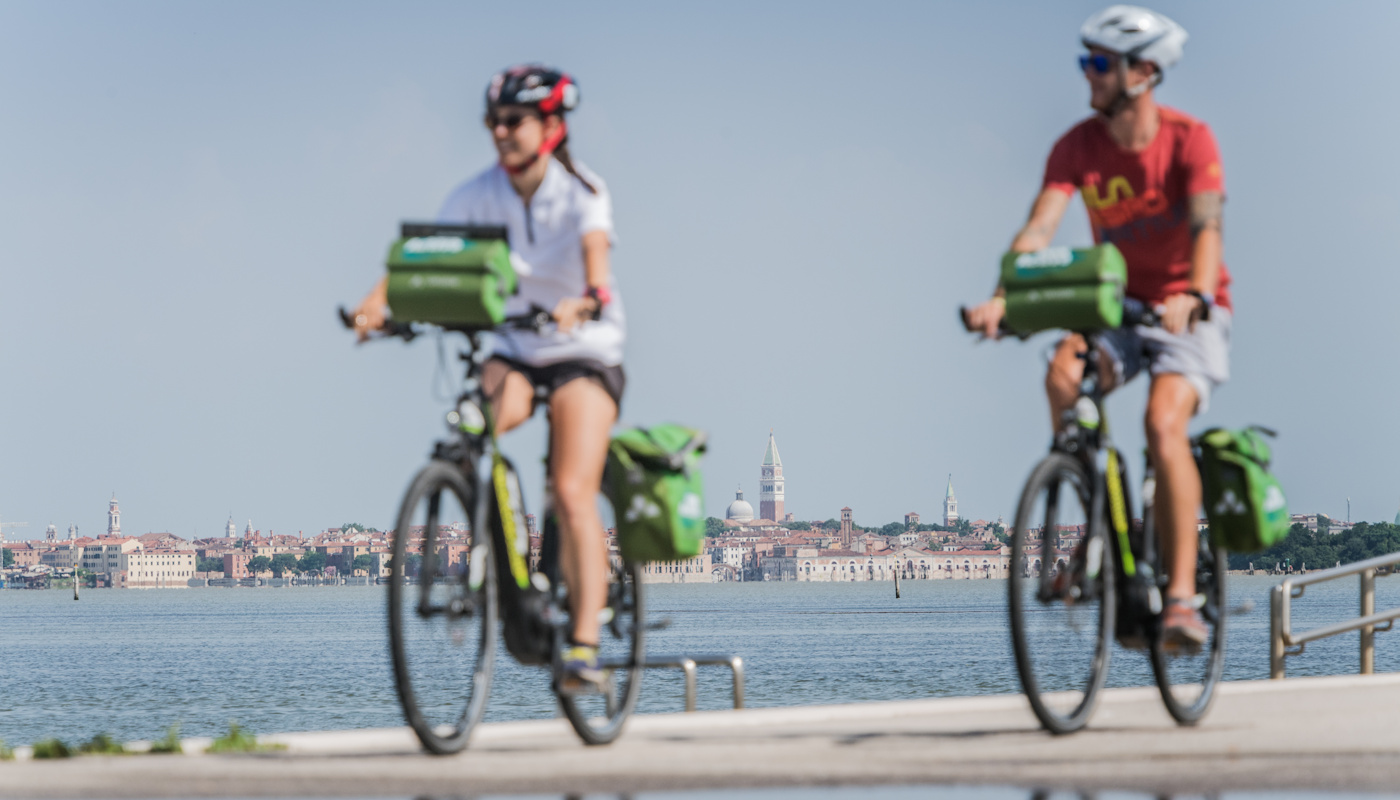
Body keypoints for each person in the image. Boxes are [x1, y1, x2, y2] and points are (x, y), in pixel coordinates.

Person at [964, 6, 1230, 650]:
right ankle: (1099, 528)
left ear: (1143, 73)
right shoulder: (1076, 146)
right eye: (1086, 61)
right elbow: (1039, 228)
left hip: (1186, 312)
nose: (1088, 73)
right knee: (1062, 372)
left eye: (1101, 63)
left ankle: (1181, 599)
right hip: (1117, 311)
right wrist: (1000, 297)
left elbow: (1206, 230)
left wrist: (1192, 295)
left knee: (1162, 425)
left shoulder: (1190, 140)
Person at [351, 64, 624, 688]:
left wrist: (585, 301)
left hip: (584, 349)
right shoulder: (476, 194)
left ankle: (583, 646)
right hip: (517, 347)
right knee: (475, 425)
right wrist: (374, 306)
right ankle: (497, 560)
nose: (500, 132)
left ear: (550, 127)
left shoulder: (582, 193)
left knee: (571, 489)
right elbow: (423, 254)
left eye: (513, 121)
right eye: (492, 121)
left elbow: (597, 267)